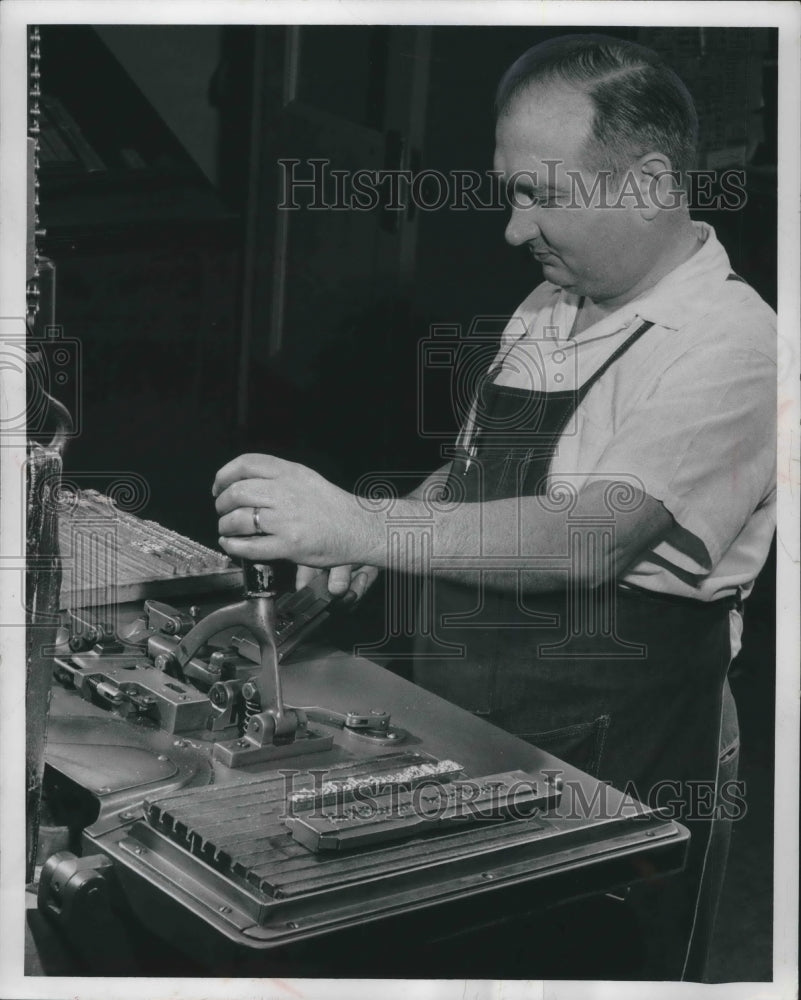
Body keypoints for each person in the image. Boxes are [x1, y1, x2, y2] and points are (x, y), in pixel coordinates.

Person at [212, 35, 776, 980]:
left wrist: (359, 523)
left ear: (644, 184)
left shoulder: (729, 344)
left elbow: (583, 539)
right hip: (474, 731)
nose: (514, 230)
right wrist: (375, 541)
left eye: (539, 195)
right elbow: (483, 476)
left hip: (609, 762)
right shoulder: (553, 304)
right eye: (510, 191)